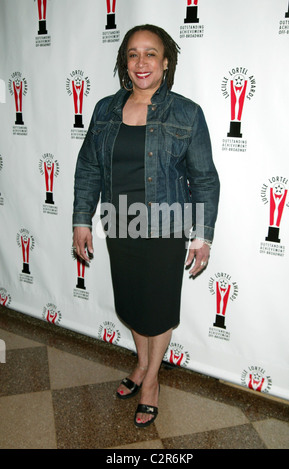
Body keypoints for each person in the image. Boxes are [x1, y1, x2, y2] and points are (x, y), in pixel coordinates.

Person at [72, 24, 220, 428]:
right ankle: (141, 365)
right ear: (125, 61)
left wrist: (202, 235)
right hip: (119, 224)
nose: (141, 62)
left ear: (166, 61)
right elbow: (88, 166)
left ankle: (150, 382)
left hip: (165, 228)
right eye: (133, 54)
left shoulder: (186, 113)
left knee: (157, 312)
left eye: (151, 53)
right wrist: (81, 219)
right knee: (134, 307)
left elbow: (204, 179)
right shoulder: (104, 109)